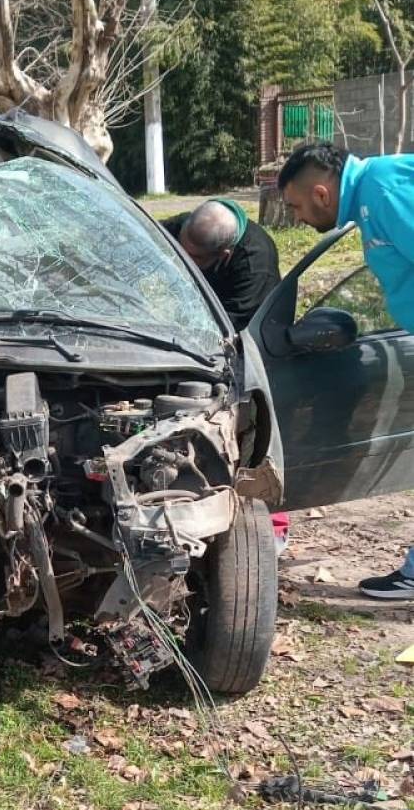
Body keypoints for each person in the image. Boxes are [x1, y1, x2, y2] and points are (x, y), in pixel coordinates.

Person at [278, 141, 414, 600]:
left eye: (296, 207)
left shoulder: (383, 188)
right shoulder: (371, 196)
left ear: (320, 193)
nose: (298, 217)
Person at [162, 199, 281, 329]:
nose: (183, 259)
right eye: (180, 248)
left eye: (194, 257)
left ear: (224, 255)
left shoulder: (255, 267)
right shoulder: (182, 226)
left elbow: (231, 327)